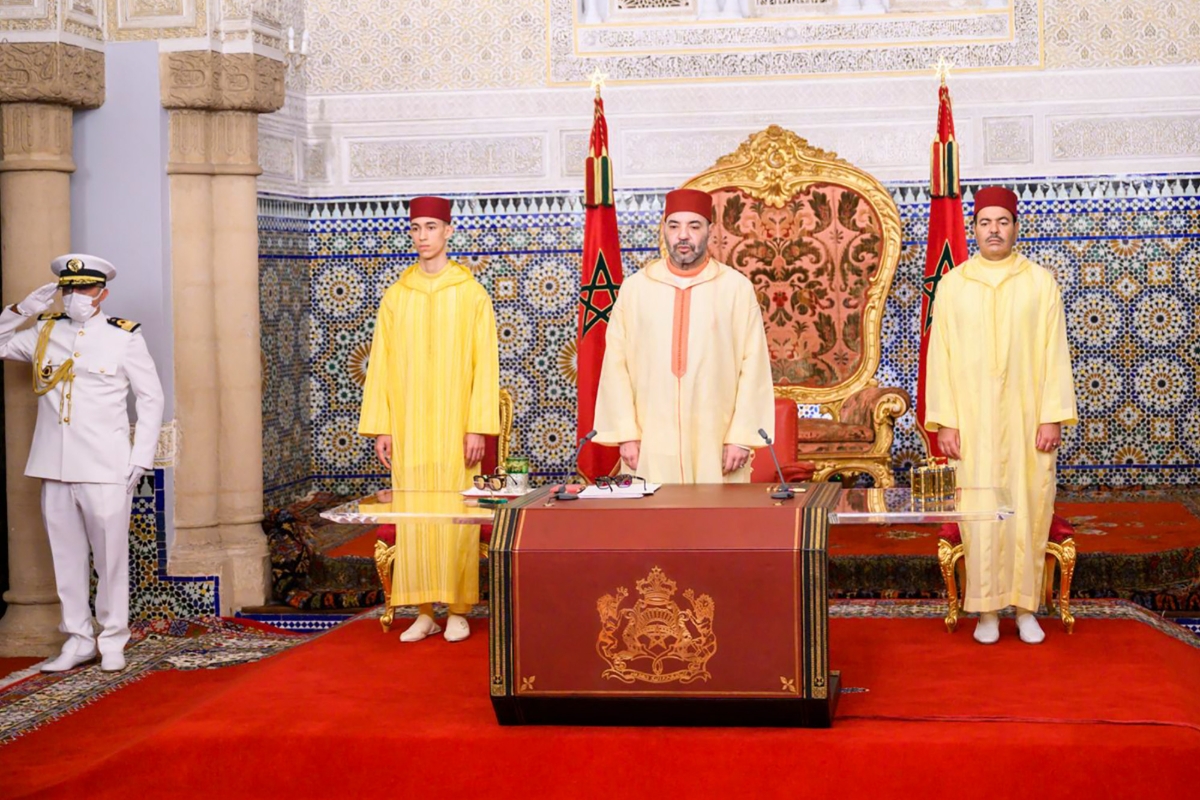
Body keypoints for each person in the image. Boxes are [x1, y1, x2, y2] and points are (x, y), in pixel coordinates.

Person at [925, 186, 1077, 645]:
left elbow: (1055, 353)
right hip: (972, 423)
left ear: (1015, 227)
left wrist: (1051, 416)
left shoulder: (1040, 283)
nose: (994, 230)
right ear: (973, 229)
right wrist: (946, 420)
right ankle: (986, 611)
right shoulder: (954, 285)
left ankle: (1026, 609)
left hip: (1028, 420)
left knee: (1029, 508)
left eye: (1003, 222)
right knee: (979, 512)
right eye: (985, 222)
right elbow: (940, 356)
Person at [0, 254, 164, 672]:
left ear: (102, 293)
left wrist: (140, 457)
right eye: (69, 288)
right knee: (66, 557)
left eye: (85, 288)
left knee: (110, 558)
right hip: (54, 465)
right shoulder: (44, 331)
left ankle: (113, 639)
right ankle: (77, 639)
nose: (75, 296)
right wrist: (21, 310)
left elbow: (151, 398)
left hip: (106, 465)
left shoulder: (124, 337)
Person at [358, 196, 500, 643]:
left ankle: (458, 609)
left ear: (448, 231)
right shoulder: (397, 296)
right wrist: (383, 426)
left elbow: (485, 363)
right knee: (416, 515)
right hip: (410, 426)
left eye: (431, 227)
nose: (423, 236)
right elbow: (381, 364)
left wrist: (477, 425)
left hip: (456, 427)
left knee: (456, 514)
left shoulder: (471, 293)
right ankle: (423, 611)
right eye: (416, 228)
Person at [593, 188, 774, 484]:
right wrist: (626, 434)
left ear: (710, 231)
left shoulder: (735, 288)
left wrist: (741, 436)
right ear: (664, 230)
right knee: (654, 511)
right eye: (674, 226)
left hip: (717, 441)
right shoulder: (636, 289)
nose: (683, 236)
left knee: (716, 512)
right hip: (649, 440)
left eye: (694, 226)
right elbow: (616, 365)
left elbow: (754, 366)